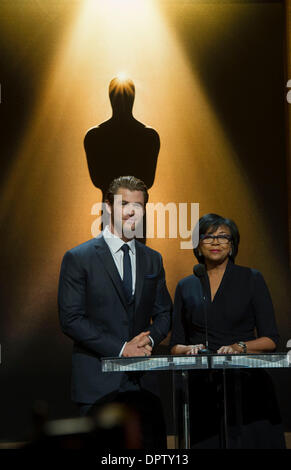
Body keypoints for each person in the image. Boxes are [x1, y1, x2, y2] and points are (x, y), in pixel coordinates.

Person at [58, 175, 172, 447]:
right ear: (108, 207)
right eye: (125, 204)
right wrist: (122, 348)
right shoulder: (79, 257)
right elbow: (71, 319)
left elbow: (165, 313)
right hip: (98, 385)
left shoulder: (152, 258)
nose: (133, 211)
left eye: (139, 205)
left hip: (144, 386)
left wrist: (150, 339)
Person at [170, 213, 285, 449]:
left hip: (247, 387)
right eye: (208, 236)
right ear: (198, 245)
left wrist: (239, 347)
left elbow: (271, 339)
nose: (215, 242)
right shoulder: (186, 285)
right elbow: (176, 344)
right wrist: (187, 349)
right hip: (202, 390)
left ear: (232, 246)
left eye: (223, 237)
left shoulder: (251, 278)